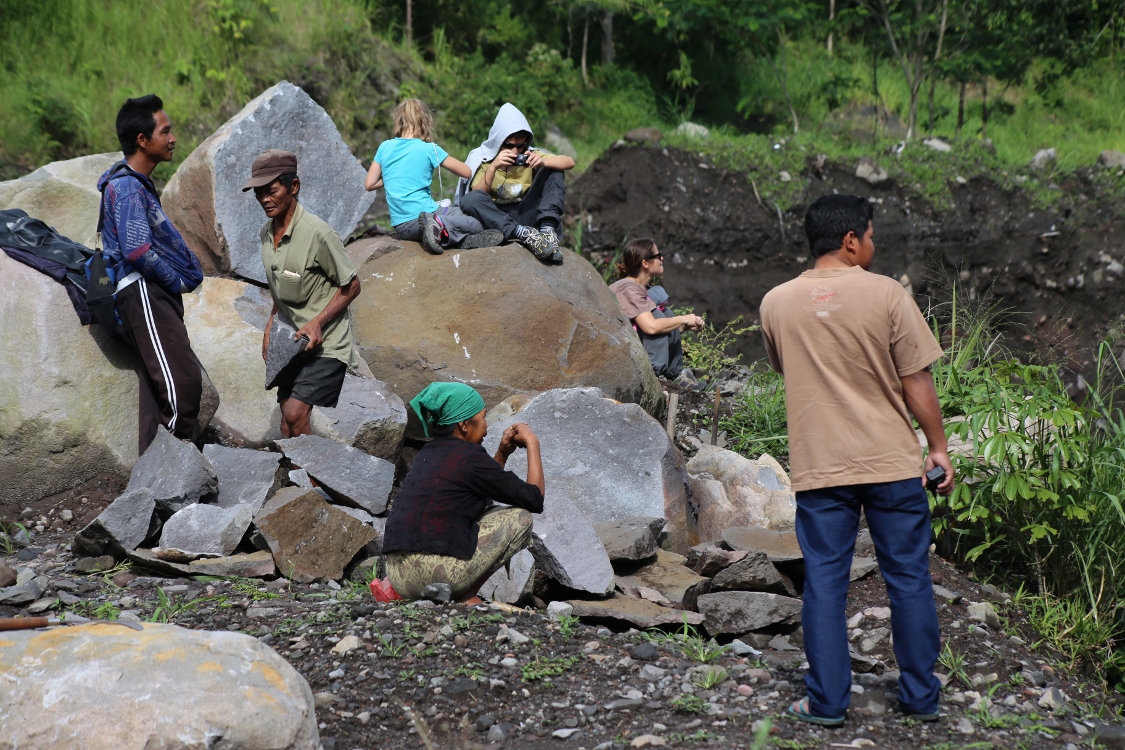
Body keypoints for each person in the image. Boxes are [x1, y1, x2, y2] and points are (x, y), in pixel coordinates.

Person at [759, 194, 955, 727]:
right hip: (891, 464)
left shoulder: (775, 303)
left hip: (820, 465)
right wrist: (937, 447)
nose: (873, 245)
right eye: (870, 236)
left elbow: (791, 370)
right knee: (909, 577)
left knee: (824, 581)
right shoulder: (887, 294)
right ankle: (920, 697)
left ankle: (826, 702)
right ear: (850, 240)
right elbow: (916, 380)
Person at [96, 94, 206, 454]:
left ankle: (152, 487)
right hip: (142, 290)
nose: (172, 138)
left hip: (148, 291)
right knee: (184, 384)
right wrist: (175, 281)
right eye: (165, 131)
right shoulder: (127, 186)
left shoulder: (132, 183)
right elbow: (137, 249)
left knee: (156, 393)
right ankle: (175, 468)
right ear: (142, 140)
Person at [382, 382, 544, 604]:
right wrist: (532, 442)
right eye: (483, 418)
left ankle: (449, 593)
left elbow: (478, 497)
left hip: (399, 578)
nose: (486, 427)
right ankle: (466, 595)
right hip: (436, 576)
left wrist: (502, 453)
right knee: (520, 518)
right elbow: (534, 498)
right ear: (464, 424)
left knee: (484, 512)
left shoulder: (426, 454)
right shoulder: (470, 456)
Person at [246, 149, 362, 438]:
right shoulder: (266, 233)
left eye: (271, 191)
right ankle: (297, 481)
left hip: (326, 342)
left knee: (296, 414)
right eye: (259, 193)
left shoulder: (318, 233)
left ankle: (311, 484)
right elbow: (278, 287)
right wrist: (271, 326)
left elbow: (352, 285)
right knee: (287, 422)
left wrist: (317, 322)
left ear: (293, 187)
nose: (264, 200)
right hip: (292, 343)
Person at [364, 99, 502, 255]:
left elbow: (369, 184)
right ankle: (441, 228)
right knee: (476, 223)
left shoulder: (384, 147)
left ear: (398, 121)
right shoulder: (430, 149)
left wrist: (391, 176)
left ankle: (446, 233)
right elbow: (467, 172)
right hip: (427, 215)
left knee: (453, 215)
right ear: (425, 121)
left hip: (403, 227)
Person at [455, 103, 574, 264]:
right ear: (498, 141)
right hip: (496, 217)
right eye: (509, 146)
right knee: (470, 200)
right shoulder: (483, 158)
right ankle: (522, 234)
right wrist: (494, 166)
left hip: (525, 212)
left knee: (555, 169)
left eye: (520, 145)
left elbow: (569, 162)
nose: (515, 152)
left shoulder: (529, 154)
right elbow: (476, 194)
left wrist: (542, 163)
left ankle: (547, 232)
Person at [609, 238, 703, 381]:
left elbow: (643, 329)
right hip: (621, 356)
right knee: (659, 317)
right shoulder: (627, 289)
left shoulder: (641, 289)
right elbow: (651, 328)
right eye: (658, 255)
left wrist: (684, 327)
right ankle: (654, 379)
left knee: (666, 314)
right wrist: (683, 318)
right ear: (645, 263)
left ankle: (674, 377)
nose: (662, 258)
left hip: (635, 346)